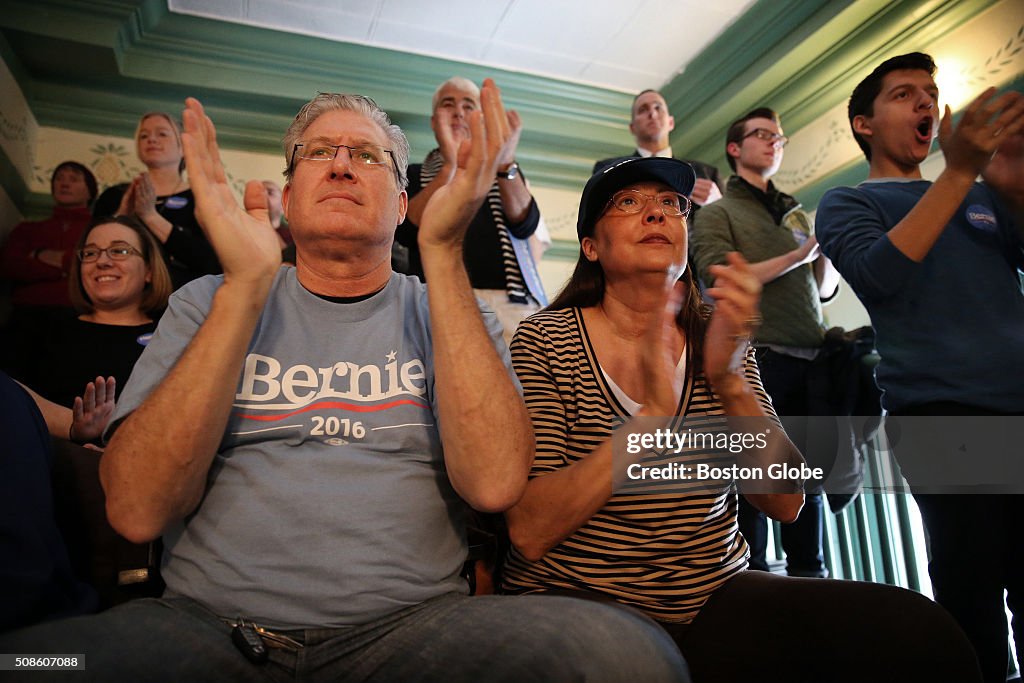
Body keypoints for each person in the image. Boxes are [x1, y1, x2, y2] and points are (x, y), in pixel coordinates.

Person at [0, 86, 689, 682]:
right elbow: (139, 511)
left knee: (628, 659)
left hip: (415, 632)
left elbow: (495, 484)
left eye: (367, 156)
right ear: (288, 194)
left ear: (401, 203)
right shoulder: (205, 299)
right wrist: (244, 288)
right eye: (316, 153)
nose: (339, 163)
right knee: (29, 662)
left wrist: (443, 252)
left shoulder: (448, 305)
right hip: (204, 627)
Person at [500, 156, 983, 682]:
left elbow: (785, 501)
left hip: (711, 593)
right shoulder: (547, 339)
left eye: (671, 204)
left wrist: (729, 381)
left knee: (920, 634)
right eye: (628, 203)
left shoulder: (720, 334)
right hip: (581, 599)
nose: (657, 214)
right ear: (590, 247)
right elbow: (530, 530)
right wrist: (650, 423)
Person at [816, 52, 1024, 683]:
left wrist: (1010, 184)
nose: (924, 103)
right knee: (974, 592)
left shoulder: (983, 193)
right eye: (904, 94)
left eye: (929, 93)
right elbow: (881, 275)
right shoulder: (845, 201)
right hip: (945, 413)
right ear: (864, 125)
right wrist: (961, 173)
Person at [690, 107, 840, 577]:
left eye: (779, 137)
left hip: (813, 359)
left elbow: (824, 290)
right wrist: (798, 256)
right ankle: (752, 588)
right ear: (735, 149)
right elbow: (720, 278)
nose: (774, 142)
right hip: (757, 359)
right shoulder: (717, 213)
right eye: (762, 135)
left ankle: (811, 587)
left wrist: (825, 250)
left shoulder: (795, 210)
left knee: (805, 482)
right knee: (755, 482)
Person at [396, 77, 546, 344]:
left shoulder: (502, 170)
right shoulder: (414, 173)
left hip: (509, 302)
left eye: (468, 105)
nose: (458, 112)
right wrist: (451, 166)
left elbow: (525, 223)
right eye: (448, 104)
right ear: (434, 122)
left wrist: (506, 161)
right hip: (439, 297)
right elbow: (407, 228)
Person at [5, 216, 172, 413]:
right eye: (90, 253)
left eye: (119, 251)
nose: (102, 261)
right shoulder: (39, 326)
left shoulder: (171, 336)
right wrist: (70, 428)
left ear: (149, 271)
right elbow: (8, 396)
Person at [92, 112, 220, 289]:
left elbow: (212, 263)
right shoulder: (114, 196)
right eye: (144, 136)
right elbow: (92, 252)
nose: (151, 139)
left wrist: (150, 217)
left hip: (182, 301)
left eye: (162, 134)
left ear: (183, 147)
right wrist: (122, 218)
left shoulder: (202, 198)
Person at [593, 90, 723, 210]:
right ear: (632, 128)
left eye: (658, 107)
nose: (652, 113)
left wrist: (718, 204)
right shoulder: (609, 170)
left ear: (671, 122)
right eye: (643, 110)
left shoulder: (707, 174)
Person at [0, 161, 97, 310]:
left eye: (74, 179)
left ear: (90, 191)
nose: (64, 184)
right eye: (59, 178)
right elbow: (9, 266)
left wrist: (38, 256)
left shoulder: (99, 231)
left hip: (81, 314)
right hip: (28, 312)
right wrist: (66, 270)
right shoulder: (27, 229)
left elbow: (97, 267)